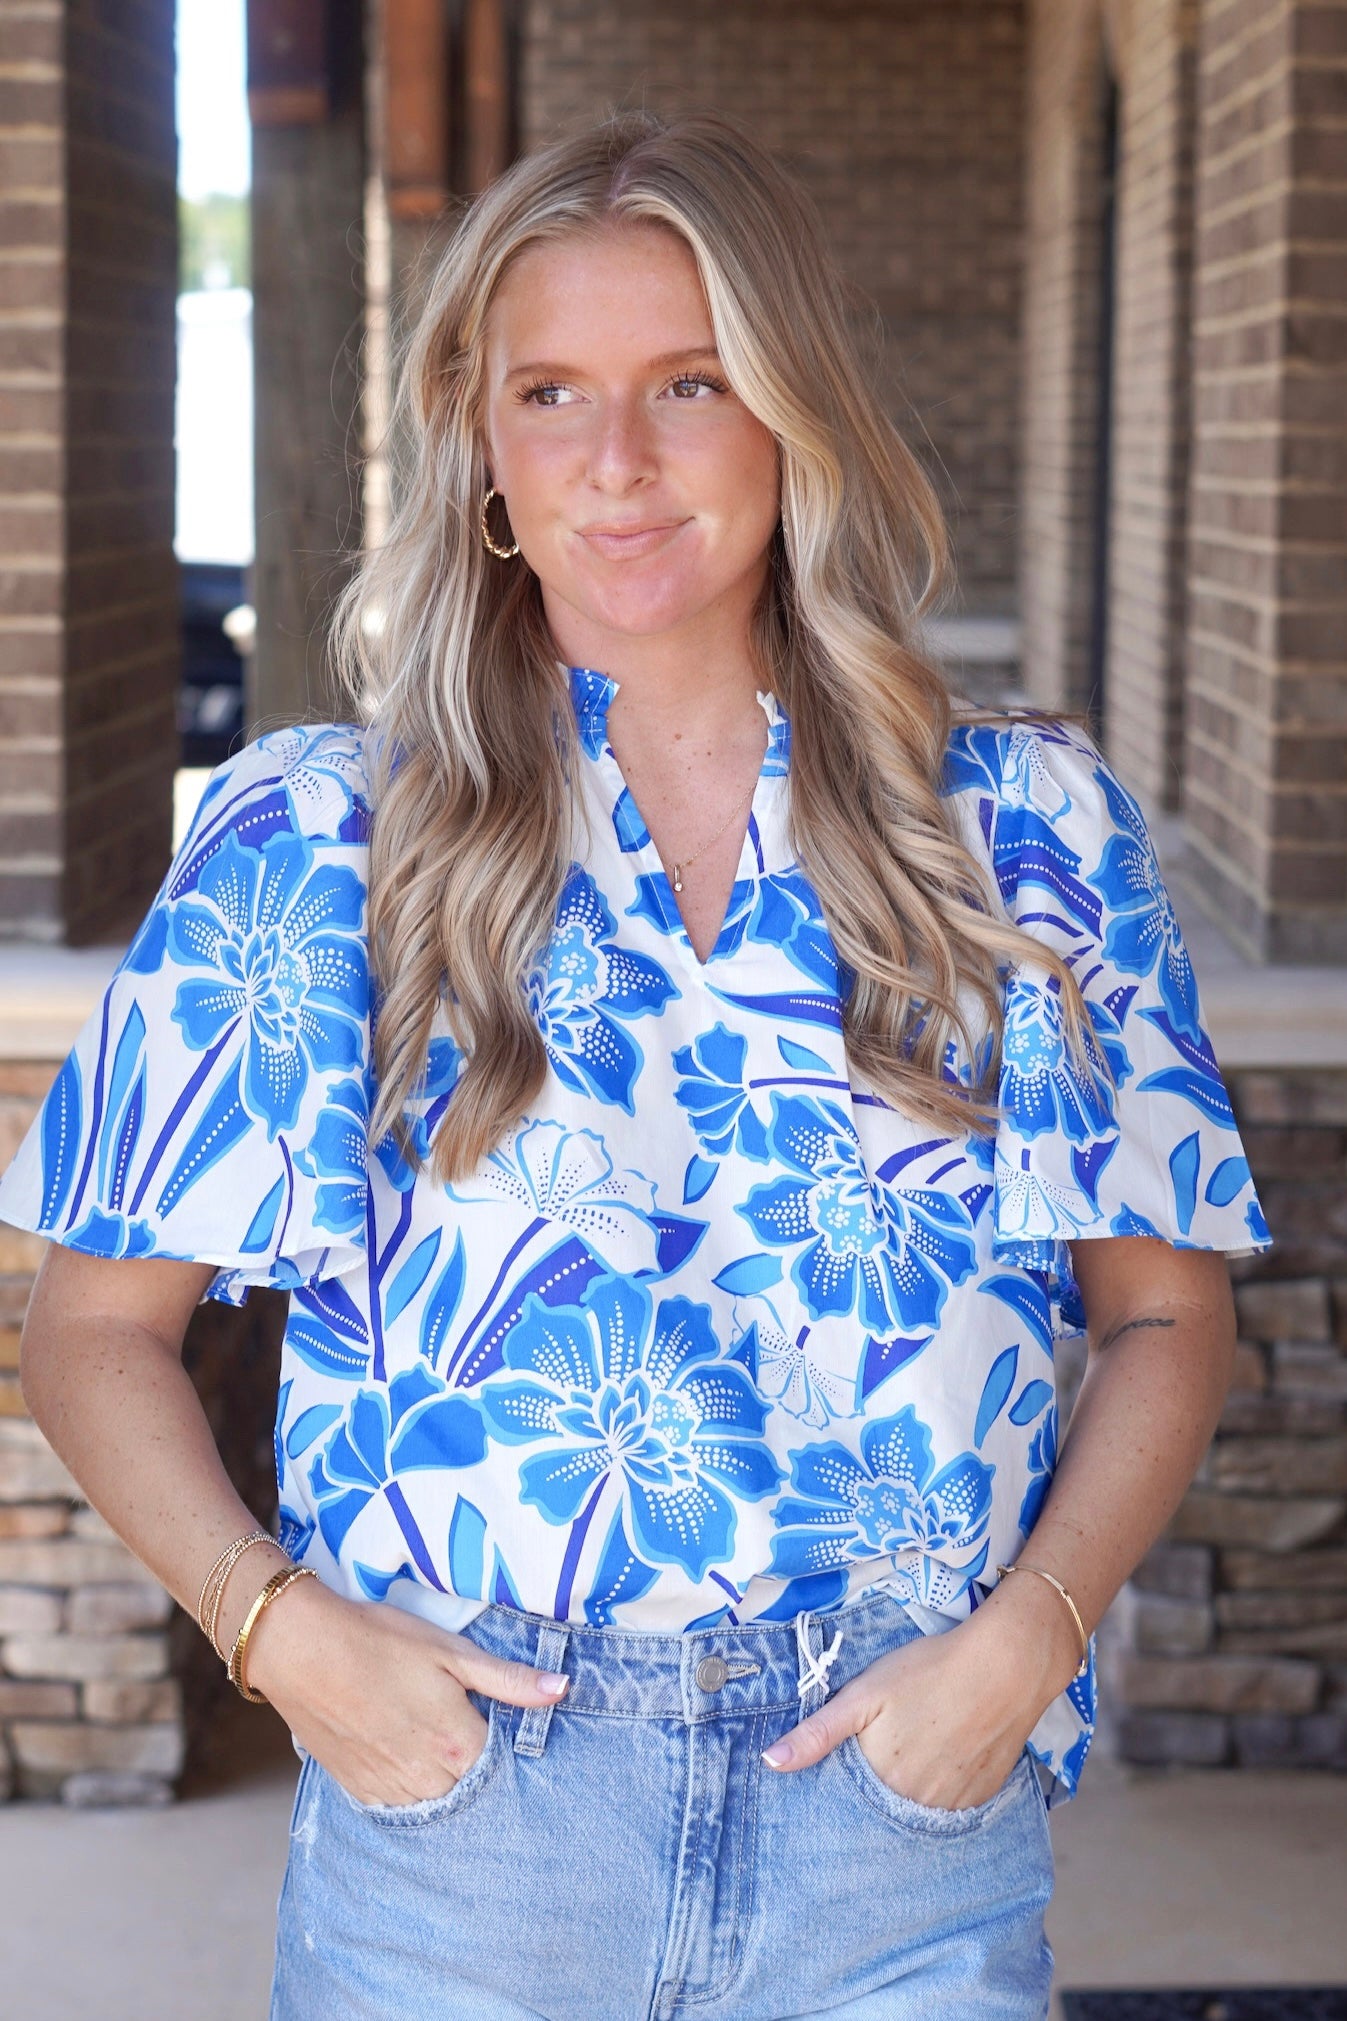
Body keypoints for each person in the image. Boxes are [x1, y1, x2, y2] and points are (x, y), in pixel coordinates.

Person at [0, 111, 1270, 2021]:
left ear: (792, 409)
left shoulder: (1023, 827)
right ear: (481, 442)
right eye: (551, 393)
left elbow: (1164, 1311)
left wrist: (1029, 1639)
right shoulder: (319, 838)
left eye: (690, 381)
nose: (617, 459)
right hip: (465, 1836)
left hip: (896, 1822)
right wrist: (285, 1638)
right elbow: (92, 1332)